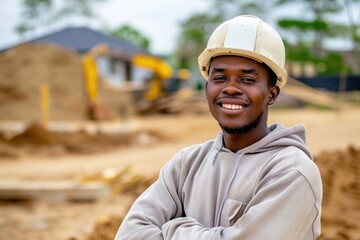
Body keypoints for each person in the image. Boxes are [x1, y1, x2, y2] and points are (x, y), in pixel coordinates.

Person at [114, 15, 322, 240]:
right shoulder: (186, 164)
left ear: (272, 94)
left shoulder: (291, 172)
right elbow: (130, 233)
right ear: (206, 89)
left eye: (247, 80)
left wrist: (173, 229)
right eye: (220, 77)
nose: (231, 89)